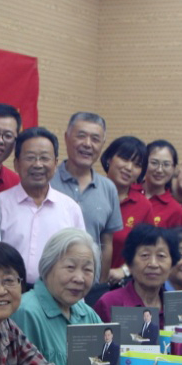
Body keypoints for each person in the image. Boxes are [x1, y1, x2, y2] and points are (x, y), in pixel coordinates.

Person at [0, 127, 85, 285]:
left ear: (55, 164)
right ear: (16, 164)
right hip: (8, 291)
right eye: (30, 158)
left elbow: (80, 257)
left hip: (55, 292)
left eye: (44, 158)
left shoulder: (70, 209)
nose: (38, 165)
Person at [9, 228, 103, 365]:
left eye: (87, 270)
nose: (79, 278)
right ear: (48, 267)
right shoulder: (26, 311)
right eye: (70, 267)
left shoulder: (88, 314)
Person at [51, 113, 122, 278]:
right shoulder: (48, 181)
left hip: (89, 284)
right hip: (48, 281)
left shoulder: (108, 188)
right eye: (81, 136)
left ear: (102, 144)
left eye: (95, 139)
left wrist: (101, 284)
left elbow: (106, 244)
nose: (88, 144)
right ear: (66, 138)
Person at [94, 223, 178, 323]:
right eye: (145, 255)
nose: (153, 264)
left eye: (161, 256)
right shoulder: (109, 303)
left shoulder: (177, 304)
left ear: (172, 264)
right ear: (130, 263)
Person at [100, 135, 153, 285]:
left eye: (137, 164)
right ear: (109, 158)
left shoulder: (143, 205)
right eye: (124, 158)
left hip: (118, 286)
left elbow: (149, 250)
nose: (129, 168)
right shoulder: (90, 192)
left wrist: (124, 270)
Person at [139, 139, 182, 228]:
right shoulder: (128, 192)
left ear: (174, 168)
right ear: (144, 163)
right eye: (154, 163)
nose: (159, 170)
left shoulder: (175, 210)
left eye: (166, 164)